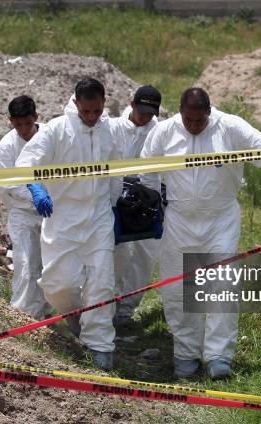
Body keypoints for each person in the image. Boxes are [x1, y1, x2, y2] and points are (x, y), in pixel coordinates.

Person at [140, 87, 261, 379]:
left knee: (222, 286)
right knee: (178, 289)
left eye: (199, 120)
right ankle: (185, 352)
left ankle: (219, 356)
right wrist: (153, 205)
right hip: (179, 220)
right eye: (188, 120)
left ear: (209, 112)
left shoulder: (230, 128)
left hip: (220, 220)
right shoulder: (164, 132)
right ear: (180, 112)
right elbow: (146, 169)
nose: (193, 126)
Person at [15, 78, 123, 370]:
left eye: (97, 111)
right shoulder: (56, 130)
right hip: (62, 219)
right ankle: (75, 313)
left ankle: (100, 346)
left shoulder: (110, 131)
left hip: (99, 218)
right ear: (76, 103)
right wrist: (36, 187)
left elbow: (116, 172)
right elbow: (26, 162)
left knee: (101, 282)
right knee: (57, 284)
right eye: (86, 111)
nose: (91, 117)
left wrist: (114, 209)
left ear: (103, 105)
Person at [0, 95, 51, 320]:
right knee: (26, 265)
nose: (24, 130)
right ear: (11, 121)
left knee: (53, 266)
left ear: (36, 117)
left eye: (28, 123)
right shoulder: (7, 147)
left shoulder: (49, 136)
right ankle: (22, 315)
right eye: (18, 125)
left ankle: (46, 311)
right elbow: (7, 183)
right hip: (22, 213)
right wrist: (33, 195)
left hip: (54, 210)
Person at [112, 85, 162, 328]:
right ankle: (104, 307)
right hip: (114, 199)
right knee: (115, 255)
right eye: (141, 112)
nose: (145, 118)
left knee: (143, 256)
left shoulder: (160, 132)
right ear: (131, 105)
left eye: (150, 114)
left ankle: (125, 311)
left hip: (146, 201)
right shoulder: (113, 128)